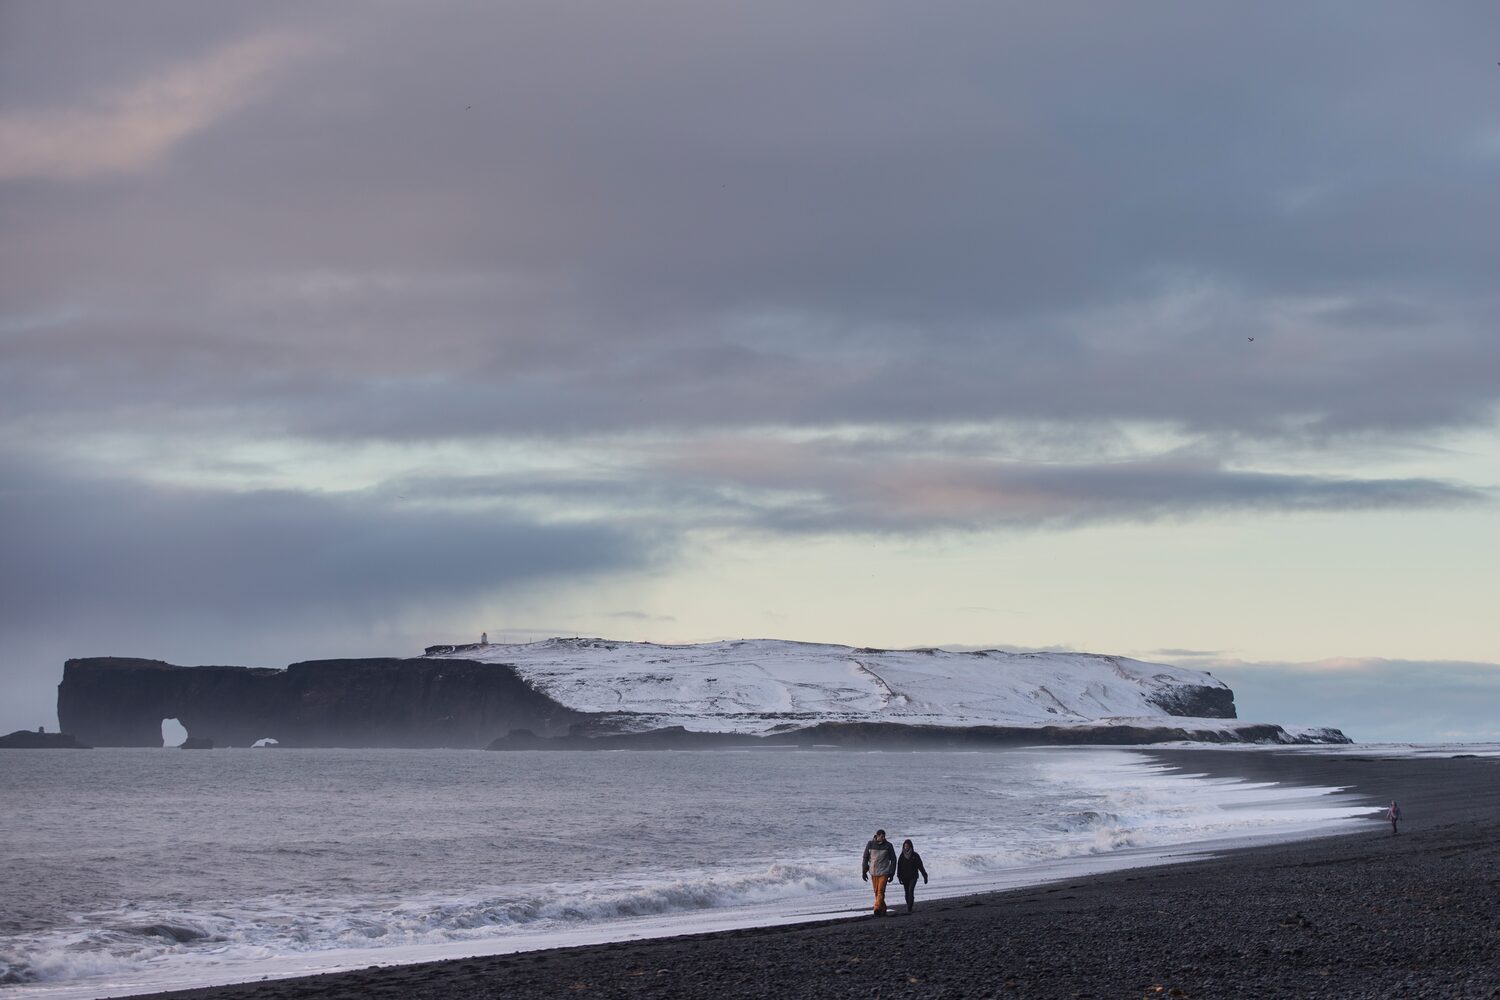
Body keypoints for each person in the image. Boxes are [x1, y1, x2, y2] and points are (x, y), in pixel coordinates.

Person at [861, 829, 897, 915]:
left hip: (884, 872)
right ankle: (883, 909)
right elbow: (865, 858)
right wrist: (864, 871)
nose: (883, 838)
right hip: (873, 872)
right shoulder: (870, 844)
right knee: (877, 892)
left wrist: (891, 873)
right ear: (877, 836)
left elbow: (894, 860)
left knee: (880, 891)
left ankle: (876, 908)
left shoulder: (889, 845)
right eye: (881, 836)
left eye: (884, 836)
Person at [896, 838, 928, 914]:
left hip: (913, 877)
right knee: (906, 892)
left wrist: (925, 876)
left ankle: (909, 908)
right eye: (905, 846)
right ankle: (909, 905)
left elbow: (920, 866)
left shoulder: (915, 855)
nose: (906, 847)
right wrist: (899, 877)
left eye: (907, 846)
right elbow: (899, 867)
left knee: (911, 891)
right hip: (904, 877)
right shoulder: (901, 856)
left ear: (910, 846)